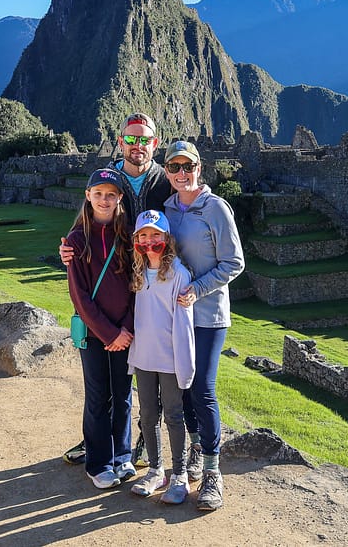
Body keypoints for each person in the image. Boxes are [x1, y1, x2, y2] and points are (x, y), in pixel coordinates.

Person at [61, 112, 172, 466]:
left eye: (145, 139)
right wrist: (71, 247)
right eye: (131, 138)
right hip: (117, 282)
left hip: (156, 283)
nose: (137, 145)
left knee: (146, 369)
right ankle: (98, 442)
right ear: (121, 140)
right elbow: (91, 216)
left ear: (155, 144)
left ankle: (140, 439)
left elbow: (184, 207)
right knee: (105, 384)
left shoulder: (164, 180)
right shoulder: (110, 178)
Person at [162, 139, 245, 511]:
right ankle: (196, 448)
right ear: (167, 172)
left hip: (208, 314)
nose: (182, 174)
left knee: (203, 390)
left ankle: (213, 472)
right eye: (174, 167)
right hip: (176, 314)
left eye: (188, 166)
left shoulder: (216, 208)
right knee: (180, 388)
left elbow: (234, 263)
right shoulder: (166, 209)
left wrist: (197, 289)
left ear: (199, 168)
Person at [66, 168, 136, 489]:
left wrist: (128, 329)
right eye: (99, 194)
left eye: (111, 194)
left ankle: (122, 456)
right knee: (98, 397)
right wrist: (111, 334)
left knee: (122, 396)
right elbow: (80, 297)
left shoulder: (129, 236)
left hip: (126, 333)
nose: (104, 200)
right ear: (88, 196)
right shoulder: (78, 241)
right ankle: (98, 463)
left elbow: (138, 286)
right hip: (96, 335)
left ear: (119, 198)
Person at [126, 209, 195, 504]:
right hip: (144, 356)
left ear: (166, 239)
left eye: (155, 235)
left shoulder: (179, 274)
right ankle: (156, 470)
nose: (149, 240)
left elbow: (184, 324)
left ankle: (179, 474)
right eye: (143, 235)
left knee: (174, 414)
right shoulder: (138, 272)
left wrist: (185, 362)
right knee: (148, 415)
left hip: (169, 358)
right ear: (136, 240)